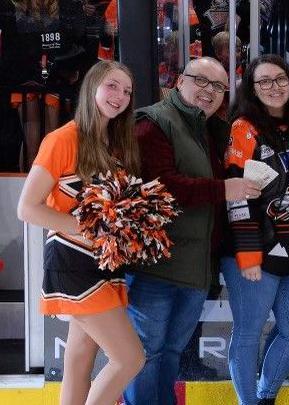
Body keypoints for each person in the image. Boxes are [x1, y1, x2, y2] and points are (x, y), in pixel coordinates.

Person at [123, 57, 261, 405]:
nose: (209, 91)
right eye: (201, 81)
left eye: (218, 87)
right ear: (180, 80)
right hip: (156, 267)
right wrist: (224, 189)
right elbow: (159, 185)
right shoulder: (153, 122)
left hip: (195, 270)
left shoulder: (209, 128)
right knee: (145, 354)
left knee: (170, 353)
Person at [16, 60, 145, 405]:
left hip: (105, 264)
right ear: (92, 87)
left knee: (80, 357)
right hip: (72, 262)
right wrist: (91, 232)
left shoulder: (116, 144)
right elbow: (27, 207)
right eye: (112, 86)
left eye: (127, 91)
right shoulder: (61, 140)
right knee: (130, 358)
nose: (120, 96)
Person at [222, 54, 289, 405]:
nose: (273, 87)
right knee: (247, 334)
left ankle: (265, 396)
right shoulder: (244, 128)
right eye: (263, 81)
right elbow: (235, 193)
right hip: (252, 250)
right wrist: (247, 253)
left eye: (280, 79)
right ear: (252, 88)